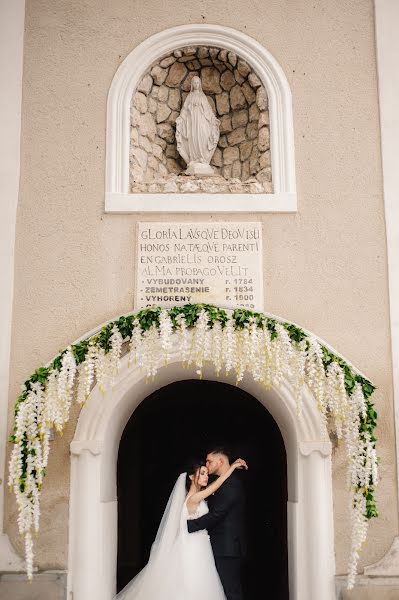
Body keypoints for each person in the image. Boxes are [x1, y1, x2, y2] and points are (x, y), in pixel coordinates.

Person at [115, 456, 247, 600]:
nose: (206, 477)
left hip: (200, 545)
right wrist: (232, 467)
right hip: (193, 546)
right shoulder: (193, 499)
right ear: (191, 477)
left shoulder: (198, 497)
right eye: (202, 473)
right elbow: (216, 486)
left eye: (206, 474)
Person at [187, 447, 247, 600]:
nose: (206, 465)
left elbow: (216, 514)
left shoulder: (231, 484)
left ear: (220, 462)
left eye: (209, 461)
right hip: (217, 547)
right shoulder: (220, 483)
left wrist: (188, 526)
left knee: (230, 592)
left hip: (227, 548)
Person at [175, 75, 220, 176]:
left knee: (203, 136)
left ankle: (203, 158)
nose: (196, 84)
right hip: (192, 121)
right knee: (193, 138)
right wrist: (181, 118)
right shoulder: (190, 96)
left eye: (197, 82)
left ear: (200, 84)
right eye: (194, 83)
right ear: (192, 85)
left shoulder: (202, 96)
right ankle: (194, 159)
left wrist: (213, 119)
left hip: (202, 120)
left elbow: (208, 109)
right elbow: (185, 109)